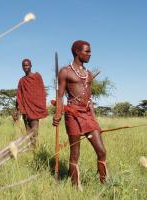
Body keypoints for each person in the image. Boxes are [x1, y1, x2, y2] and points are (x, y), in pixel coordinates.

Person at [52, 40, 107, 188]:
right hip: (72, 114)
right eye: (87, 51)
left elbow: (90, 99)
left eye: (90, 51)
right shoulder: (65, 72)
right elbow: (60, 95)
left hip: (87, 114)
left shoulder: (88, 74)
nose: (90, 54)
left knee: (102, 151)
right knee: (75, 154)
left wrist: (95, 121)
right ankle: (75, 188)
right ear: (77, 51)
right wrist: (58, 114)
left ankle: (105, 184)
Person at [14, 59, 47, 147]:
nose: (25, 67)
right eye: (24, 66)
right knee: (28, 132)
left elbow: (41, 92)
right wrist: (16, 110)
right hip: (25, 109)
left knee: (34, 132)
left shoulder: (37, 77)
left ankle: (34, 149)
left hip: (34, 109)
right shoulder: (22, 81)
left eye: (27, 65)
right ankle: (30, 150)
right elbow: (19, 96)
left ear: (31, 66)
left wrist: (39, 105)